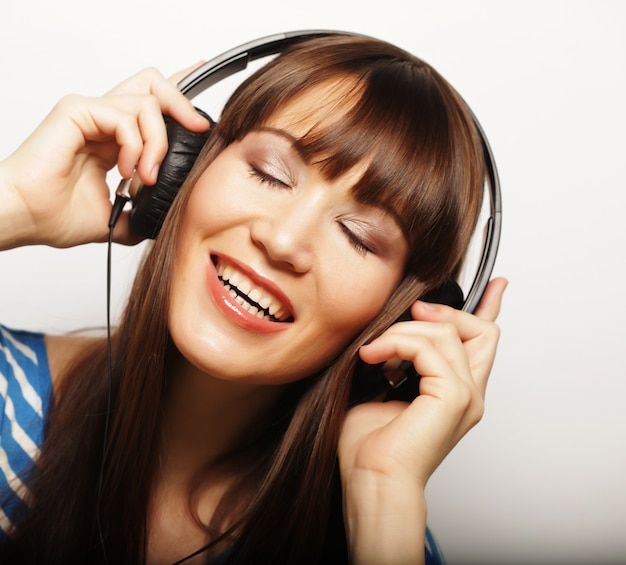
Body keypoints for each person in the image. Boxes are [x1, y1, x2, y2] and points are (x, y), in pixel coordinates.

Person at [0, 34, 507, 564]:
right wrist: (13, 201)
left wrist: (382, 495)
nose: (283, 241)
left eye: (358, 236)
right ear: (183, 169)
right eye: (269, 173)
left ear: (401, 315)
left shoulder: (388, 535)